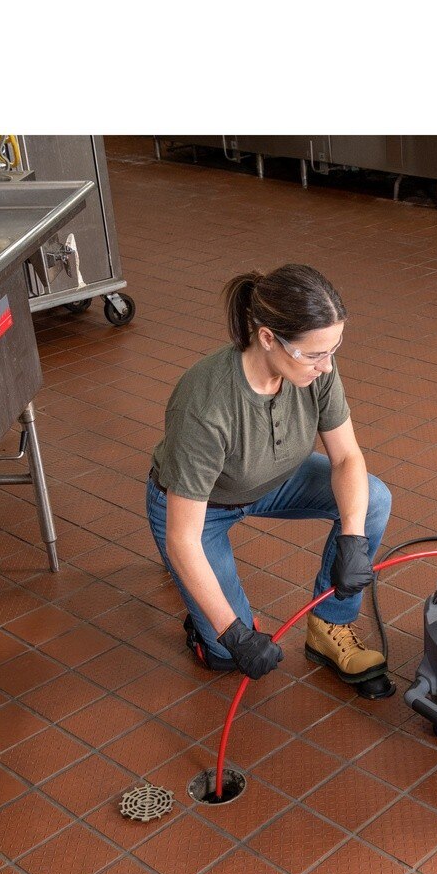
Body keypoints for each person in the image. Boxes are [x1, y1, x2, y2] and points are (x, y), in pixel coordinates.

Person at [146, 263, 392, 687]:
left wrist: (353, 538)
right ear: (267, 338)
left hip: (275, 480)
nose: (326, 366)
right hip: (203, 509)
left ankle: (330, 625)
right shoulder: (205, 405)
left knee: (372, 500)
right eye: (314, 354)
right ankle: (206, 628)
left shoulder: (316, 367)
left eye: (332, 350)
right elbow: (182, 538)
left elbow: (347, 458)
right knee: (228, 653)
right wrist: (233, 632)